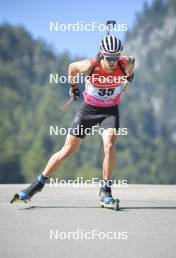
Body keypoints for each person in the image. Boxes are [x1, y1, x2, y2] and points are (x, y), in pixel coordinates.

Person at [12, 35, 135, 206]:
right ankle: (37, 184)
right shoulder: (89, 65)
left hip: (110, 112)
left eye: (116, 56)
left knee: (109, 145)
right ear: (101, 54)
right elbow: (71, 68)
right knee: (67, 150)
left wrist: (129, 76)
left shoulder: (125, 63)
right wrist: (73, 87)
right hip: (89, 111)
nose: (113, 61)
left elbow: (131, 65)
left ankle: (105, 189)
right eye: (109, 57)